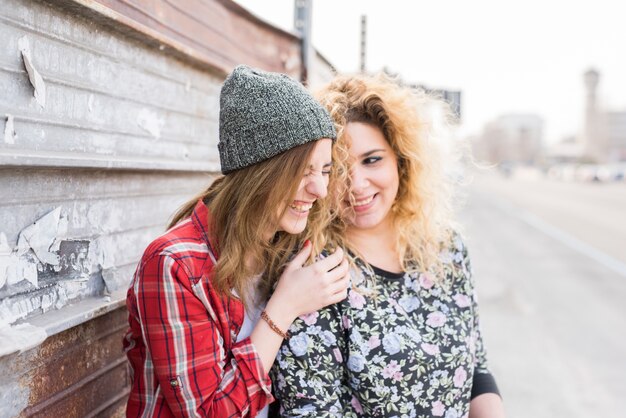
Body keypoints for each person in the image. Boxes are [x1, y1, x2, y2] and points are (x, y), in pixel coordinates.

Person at [271, 74, 505, 418]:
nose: (357, 184)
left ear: (401, 159)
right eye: (337, 169)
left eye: (371, 160)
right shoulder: (315, 273)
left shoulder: (446, 247)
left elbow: (476, 370)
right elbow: (310, 409)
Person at [123, 65, 351, 418]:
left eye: (324, 170)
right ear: (260, 172)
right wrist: (284, 308)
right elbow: (208, 413)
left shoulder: (286, 248)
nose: (319, 190)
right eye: (303, 171)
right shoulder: (175, 265)